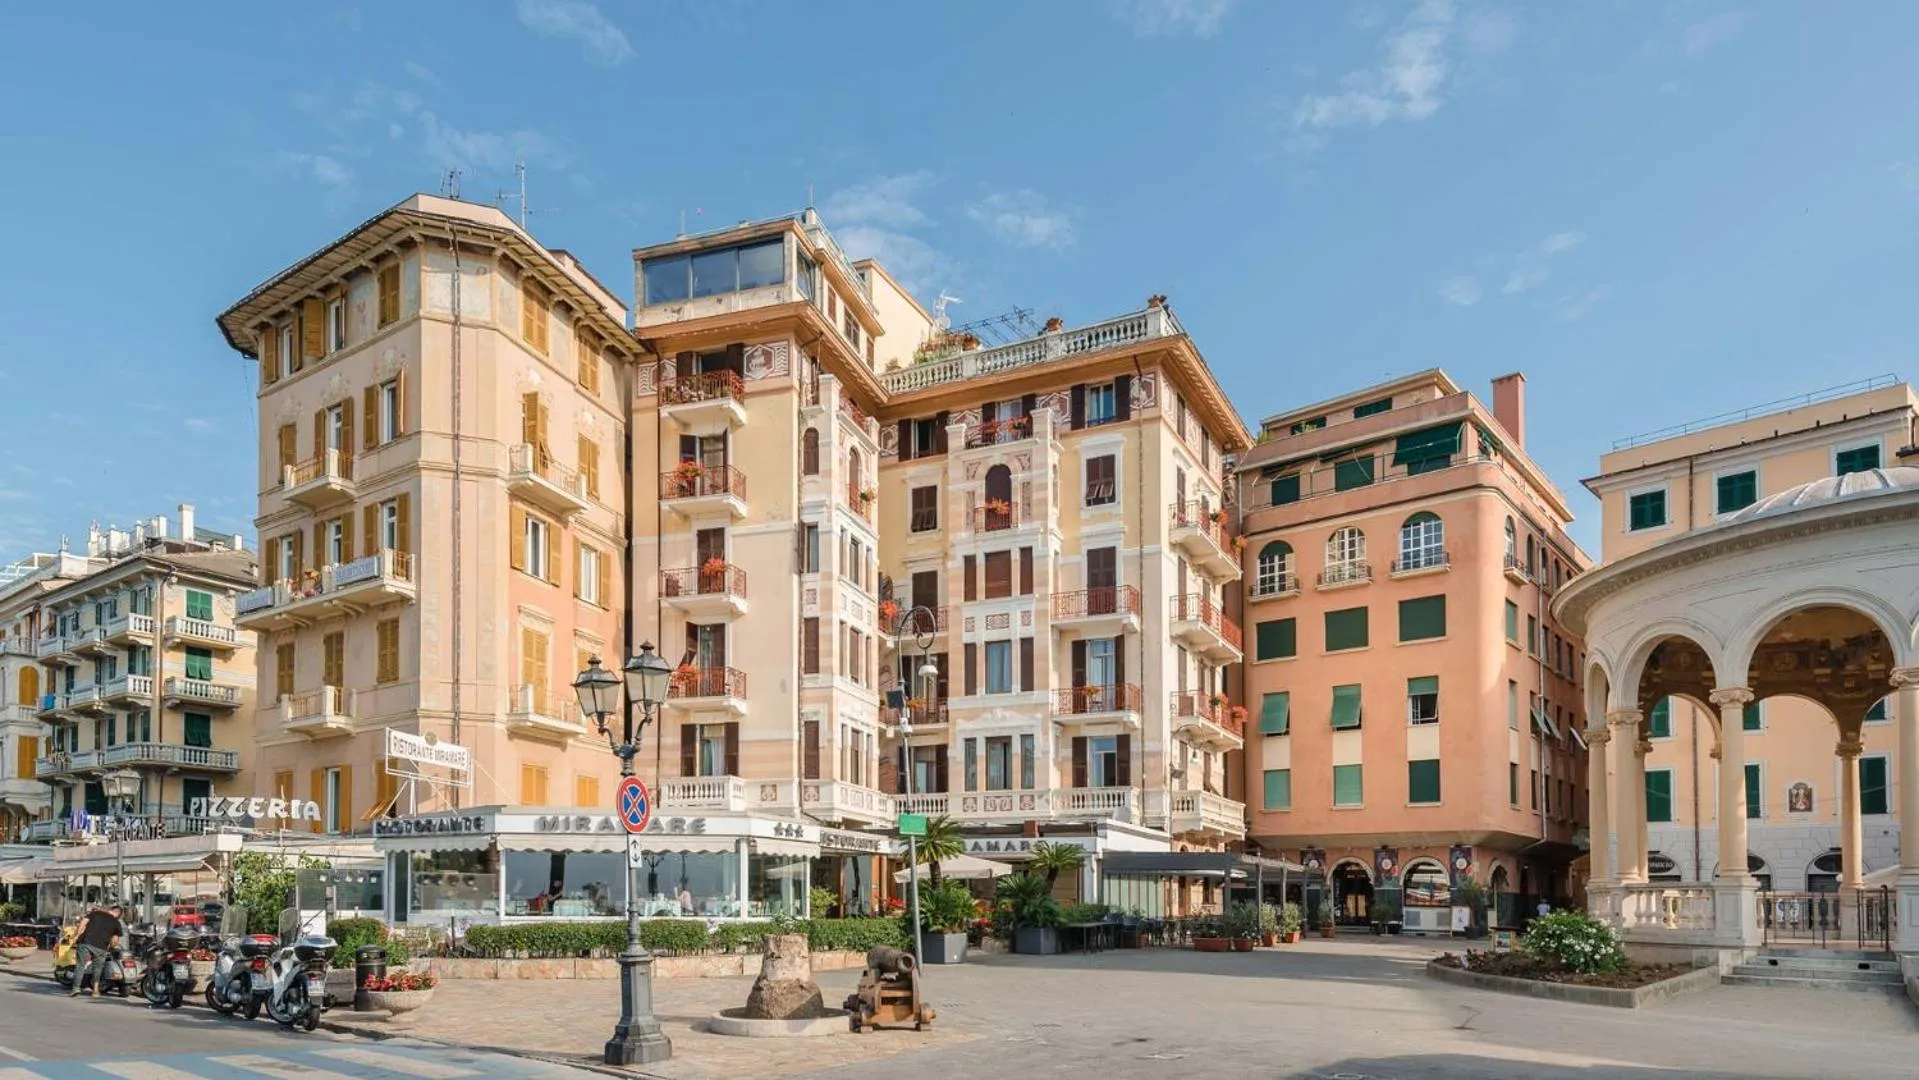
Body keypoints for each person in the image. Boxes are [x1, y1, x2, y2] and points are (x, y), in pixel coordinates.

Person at [69, 902, 123, 998]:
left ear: (110, 909)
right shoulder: (116, 922)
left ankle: (76, 988)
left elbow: (83, 923)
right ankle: (95, 991)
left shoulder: (95, 913)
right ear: (118, 914)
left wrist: (77, 935)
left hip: (85, 942)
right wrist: (112, 946)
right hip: (101, 947)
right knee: (97, 969)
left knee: (80, 965)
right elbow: (114, 939)